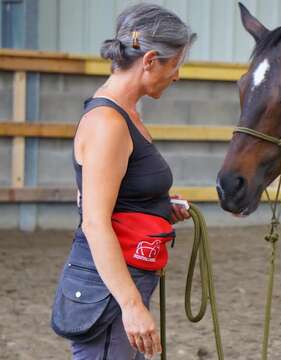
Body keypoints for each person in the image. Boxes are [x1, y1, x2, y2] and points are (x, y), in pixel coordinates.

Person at [50, 3, 196, 359]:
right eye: (175, 64)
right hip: (111, 293)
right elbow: (95, 221)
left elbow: (117, 195)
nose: (177, 75)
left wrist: (160, 206)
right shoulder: (108, 123)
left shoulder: (125, 115)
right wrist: (131, 305)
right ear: (149, 61)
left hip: (119, 282)